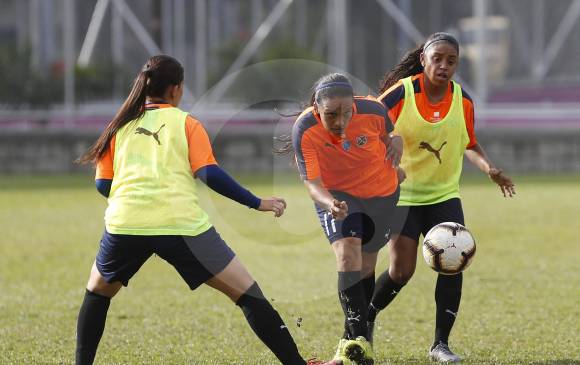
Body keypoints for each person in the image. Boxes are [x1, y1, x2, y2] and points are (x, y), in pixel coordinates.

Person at [74, 55, 336, 365]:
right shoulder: (186, 123)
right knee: (247, 294)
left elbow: (104, 184)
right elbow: (209, 173)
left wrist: (135, 198)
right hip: (183, 227)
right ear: (176, 89)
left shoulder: (118, 126)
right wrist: (257, 202)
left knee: (97, 293)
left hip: (125, 225)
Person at [368, 32, 516, 363]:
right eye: (438, 59)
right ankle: (366, 318)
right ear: (423, 60)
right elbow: (368, 124)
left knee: (453, 265)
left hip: (444, 195)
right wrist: (388, 141)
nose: (444, 66)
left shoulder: (462, 100)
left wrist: (489, 168)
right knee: (401, 272)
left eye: (452, 61)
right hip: (403, 196)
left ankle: (440, 345)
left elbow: (469, 142)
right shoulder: (402, 94)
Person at [287, 73, 404, 365]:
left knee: (365, 267)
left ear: (355, 104)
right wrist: (331, 204)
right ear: (317, 109)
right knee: (347, 252)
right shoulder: (305, 127)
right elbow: (312, 183)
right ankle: (362, 340)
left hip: (382, 193)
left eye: (347, 112)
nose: (341, 121)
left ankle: (349, 345)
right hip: (337, 195)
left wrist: (397, 140)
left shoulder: (375, 110)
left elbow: (390, 135)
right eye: (331, 115)